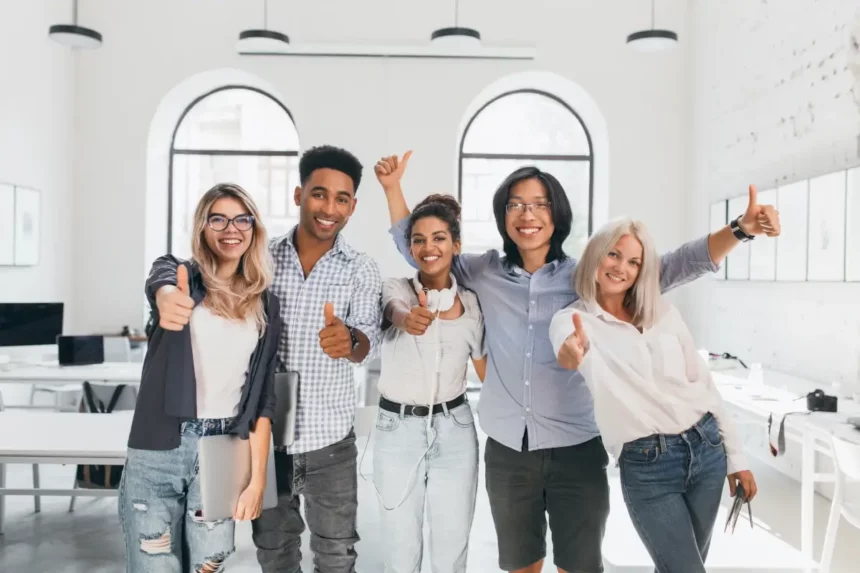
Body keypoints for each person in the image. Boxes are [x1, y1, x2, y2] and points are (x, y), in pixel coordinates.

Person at [379, 151, 781, 573]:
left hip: (577, 449)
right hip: (509, 451)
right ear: (503, 215)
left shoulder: (586, 276)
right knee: (521, 567)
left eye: (539, 204)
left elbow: (674, 265)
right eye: (516, 204)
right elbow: (423, 248)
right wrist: (393, 189)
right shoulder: (482, 271)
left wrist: (740, 230)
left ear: (557, 215)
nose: (527, 214)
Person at [548, 217, 759, 573]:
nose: (622, 268)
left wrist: (736, 458)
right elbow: (567, 352)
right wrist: (573, 350)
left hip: (706, 449)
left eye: (634, 262)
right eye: (614, 254)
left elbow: (703, 385)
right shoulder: (571, 320)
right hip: (648, 465)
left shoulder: (663, 312)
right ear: (596, 254)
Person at [120, 183, 281, 573]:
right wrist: (165, 297)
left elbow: (263, 401)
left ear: (254, 228)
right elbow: (160, 276)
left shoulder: (265, 303)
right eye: (218, 219)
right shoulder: (182, 280)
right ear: (203, 227)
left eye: (242, 219)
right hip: (159, 447)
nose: (231, 228)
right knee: (153, 564)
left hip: (225, 447)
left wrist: (258, 480)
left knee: (209, 564)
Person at [251, 145, 383, 573]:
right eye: (319, 194)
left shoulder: (360, 268)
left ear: (352, 207)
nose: (329, 208)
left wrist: (350, 339)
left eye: (342, 199)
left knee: (336, 555)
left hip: (331, 443)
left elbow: (368, 339)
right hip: (266, 439)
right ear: (299, 195)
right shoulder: (260, 259)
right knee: (274, 553)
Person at [370, 173, 488, 572]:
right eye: (418, 239)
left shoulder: (472, 305)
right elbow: (394, 311)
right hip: (396, 430)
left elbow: (487, 374)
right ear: (410, 248)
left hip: (455, 430)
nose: (428, 247)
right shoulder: (396, 289)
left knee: (452, 543)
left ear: (456, 245)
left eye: (439, 237)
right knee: (400, 545)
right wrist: (408, 319)